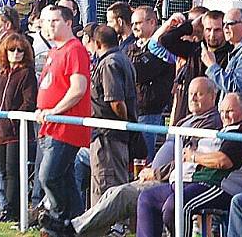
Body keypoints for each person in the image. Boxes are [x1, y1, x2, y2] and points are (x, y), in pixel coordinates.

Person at [68, 77, 223, 237]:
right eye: (191, 93)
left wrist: (155, 173)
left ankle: (73, 229)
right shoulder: (188, 119)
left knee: (122, 195)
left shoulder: (210, 123)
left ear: (213, 96)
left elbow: (185, 159)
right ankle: (83, 231)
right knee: (112, 192)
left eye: (199, 94)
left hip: (169, 181)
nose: (193, 98)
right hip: (157, 174)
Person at [136, 92, 242, 237]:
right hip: (196, 182)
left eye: (230, 111)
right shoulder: (227, 130)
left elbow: (223, 161)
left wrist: (194, 157)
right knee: (147, 198)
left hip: (219, 187)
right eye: (222, 111)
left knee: (177, 206)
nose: (225, 116)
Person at [34, 5, 92, 235]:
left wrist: (55, 111)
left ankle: (58, 218)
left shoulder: (75, 49)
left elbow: (78, 89)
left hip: (66, 126)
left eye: (55, 21)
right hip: (50, 126)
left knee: (48, 175)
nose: (49, 25)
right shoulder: (54, 51)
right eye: (46, 21)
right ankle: (76, 225)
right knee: (66, 179)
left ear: (68, 23)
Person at [0, 33, 38, 221]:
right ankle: (7, 208)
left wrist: (13, 120)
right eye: (11, 50)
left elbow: (29, 101)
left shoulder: (27, 73)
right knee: (4, 172)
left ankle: (12, 210)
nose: (16, 53)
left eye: (20, 50)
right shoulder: (3, 73)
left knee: (14, 172)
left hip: (16, 131)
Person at [88, 25, 137, 204]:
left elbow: (116, 101)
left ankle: (112, 229)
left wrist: (123, 122)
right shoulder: (122, 59)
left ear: (98, 43)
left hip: (108, 136)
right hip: (113, 135)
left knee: (106, 185)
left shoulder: (109, 64)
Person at [158, 10, 232, 124]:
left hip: (217, 116)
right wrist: (191, 26)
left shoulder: (231, 53)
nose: (212, 35)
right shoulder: (195, 49)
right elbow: (165, 40)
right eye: (208, 29)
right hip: (190, 112)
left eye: (217, 30)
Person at [126, 6, 175, 162]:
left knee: (145, 157)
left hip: (150, 111)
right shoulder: (131, 47)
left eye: (139, 23)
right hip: (133, 109)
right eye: (133, 23)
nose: (134, 27)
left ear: (152, 22)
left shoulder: (162, 46)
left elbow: (139, 72)